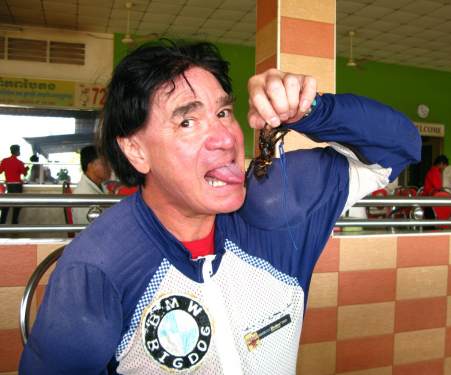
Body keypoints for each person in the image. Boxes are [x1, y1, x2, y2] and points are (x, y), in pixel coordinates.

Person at [20, 41, 421, 374]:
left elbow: (401, 147)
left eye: (224, 112)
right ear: (136, 150)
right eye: (187, 122)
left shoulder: (279, 208)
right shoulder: (97, 267)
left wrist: (312, 109)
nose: (224, 138)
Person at [71, 145, 112, 224]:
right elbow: (91, 231)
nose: (109, 167)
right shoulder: (83, 195)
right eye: (104, 163)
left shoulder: (100, 185)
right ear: (90, 166)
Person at [0, 144, 29, 224]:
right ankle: (14, 224)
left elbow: (0, 171)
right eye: (19, 150)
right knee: (17, 205)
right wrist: (26, 169)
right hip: (17, 186)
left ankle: (2, 224)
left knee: (6, 206)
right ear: (17, 151)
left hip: (8, 186)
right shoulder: (19, 163)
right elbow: (25, 174)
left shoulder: (4, 161)